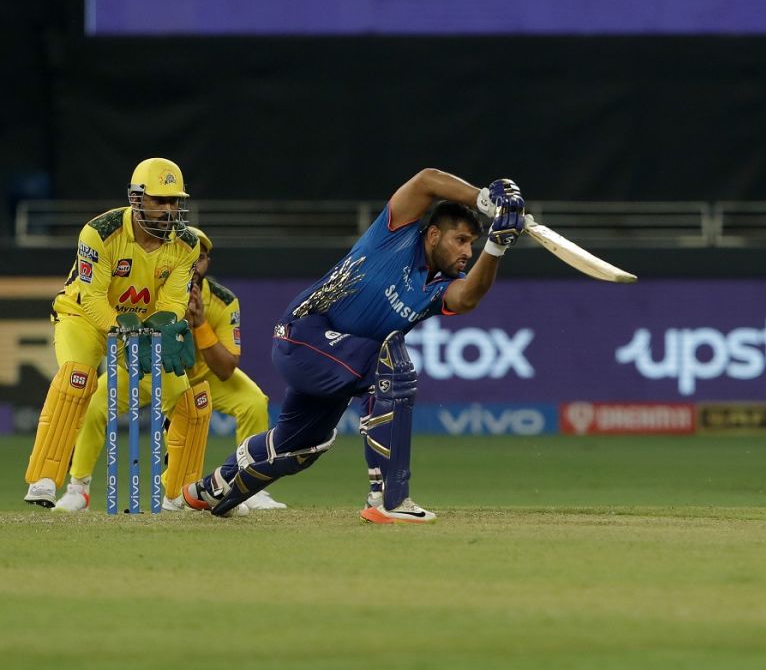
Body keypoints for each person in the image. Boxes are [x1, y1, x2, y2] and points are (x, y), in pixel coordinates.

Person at [183, 168, 525, 522]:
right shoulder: (396, 234)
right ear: (434, 234)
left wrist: (497, 246)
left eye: (473, 243)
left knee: (300, 444)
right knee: (391, 367)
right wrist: (483, 199)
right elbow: (426, 181)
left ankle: (208, 489)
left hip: (335, 361)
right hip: (303, 334)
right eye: (462, 240)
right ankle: (387, 498)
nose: (468, 251)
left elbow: (467, 298)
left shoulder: (438, 288)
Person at [24, 158, 201, 509]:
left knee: (186, 402)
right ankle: (45, 479)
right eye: (160, 201)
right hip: (83, 317)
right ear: (137, 199)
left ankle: (179, 491)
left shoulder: (187, 244)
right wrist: (121, 327)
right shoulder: (100, 232)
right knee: (77, 378)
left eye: (174, 201)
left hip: (142, 328)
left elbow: (172, 300)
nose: (169, 210)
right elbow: (91, 298)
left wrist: (162, 327)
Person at [165, 227, 285, 510]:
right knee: (97, 404)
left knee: (253, 402)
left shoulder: (222, 300)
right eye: (187, 256)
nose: (194, 264)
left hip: (206, 376)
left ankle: (250, 486)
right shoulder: (157, 290)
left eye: (201, 257)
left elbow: (226, 369)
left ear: (208, 262)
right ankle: (78, 487)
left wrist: (200, 324)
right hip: (160, 376)